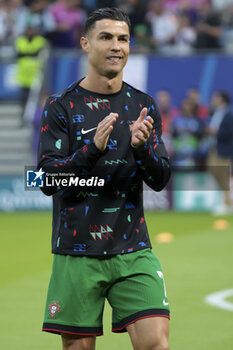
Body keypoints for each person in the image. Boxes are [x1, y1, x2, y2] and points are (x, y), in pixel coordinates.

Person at [38, 7, 171, 350]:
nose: (116, 46)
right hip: (77, 252)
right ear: (85, 43)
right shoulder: (60, 107)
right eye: (106, 37)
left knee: (156, 343)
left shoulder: (143, 105)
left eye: (123, 38)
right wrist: (90, 151)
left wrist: (142, 150)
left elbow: (161, 179)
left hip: (133, 248)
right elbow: (45, 180)